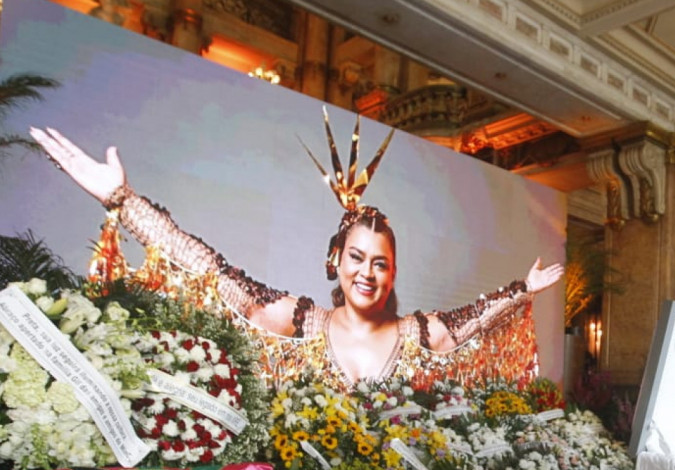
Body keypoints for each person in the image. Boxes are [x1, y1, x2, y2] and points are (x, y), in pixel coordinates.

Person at [29, 123, 564, 391]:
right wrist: (124, 202)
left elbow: (472, 322)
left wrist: (523, 290)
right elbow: (210, 271)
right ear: (336, 259)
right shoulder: (298, 319)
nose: (367, 273)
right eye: (357, 257)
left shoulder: (419, 334)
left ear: (393, 273)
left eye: (380, 263)